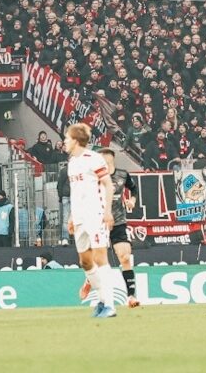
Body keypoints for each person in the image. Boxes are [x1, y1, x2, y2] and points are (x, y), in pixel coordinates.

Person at [64, 122, 119, 319]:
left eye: (68, 138)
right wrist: (71, 215)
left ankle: (110, 305)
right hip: (79, 217)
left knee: (100, 258)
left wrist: (107, 212)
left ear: (76, 141)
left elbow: (108, 185)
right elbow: (75, 192)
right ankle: (102, 300)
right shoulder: (71, 162)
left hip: (95, 214)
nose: (65, 142)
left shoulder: (93, 158)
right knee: (85, 262)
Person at [88, 148, 139, 306]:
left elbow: (134, 189)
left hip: (118, 222)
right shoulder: (93, 178)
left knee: (124, 257)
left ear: (111, 159)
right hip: (99, 223)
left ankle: (131, 296)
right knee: (97, 262)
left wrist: (132, 201)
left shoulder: (122, 175)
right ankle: (98, 294)